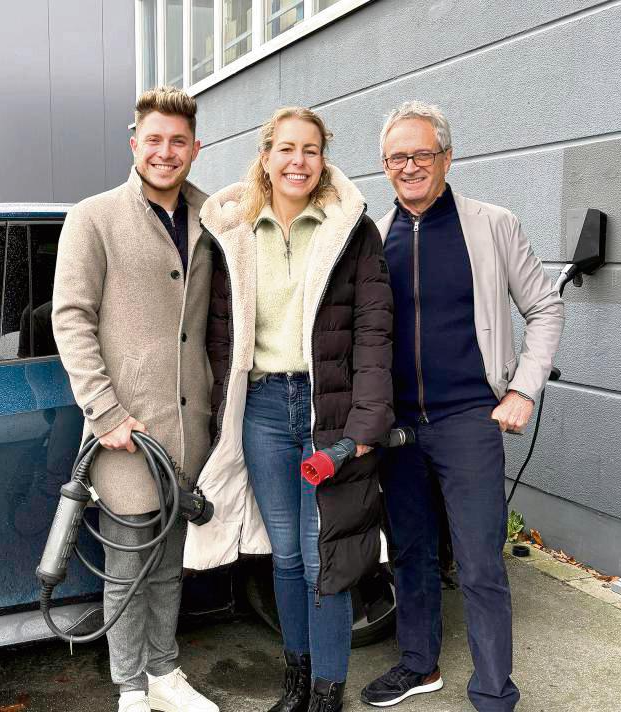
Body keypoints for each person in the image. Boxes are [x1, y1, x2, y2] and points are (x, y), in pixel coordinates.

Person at [360, 101, 564, 711]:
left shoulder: (491, 224)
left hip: (468, 420)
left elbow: (544, 306)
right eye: (399, 157)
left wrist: (523, 389)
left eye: (423, 154)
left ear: (447, 157)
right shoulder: (372, 235)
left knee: (479, 562)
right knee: (412, 554)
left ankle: (493, 691)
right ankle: (418, 665)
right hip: (397, 427)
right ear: (385, 166)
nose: (411, 166)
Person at [192, 106, 393, 712]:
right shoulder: (234, 231)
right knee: (281, 554)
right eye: (286, 149)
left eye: (310, 149)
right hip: (260, 410)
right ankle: (296, 682)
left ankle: (329, 689)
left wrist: (364, 424)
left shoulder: (351, 230)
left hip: (323, 412)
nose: (298, 161)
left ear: (323, 157)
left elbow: (374, 332)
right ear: (265, 156)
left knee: (319, 554)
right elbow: (217, 333)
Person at [52, 86, 218, 712]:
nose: (166, 152)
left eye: (179, 141)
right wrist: (106, 413)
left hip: (187, 428)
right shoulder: (94, 217)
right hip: (123, 434)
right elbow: (72, 319)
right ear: (134, 144)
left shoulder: (213, 216)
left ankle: (164, 674)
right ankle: (130, 690)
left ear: (195, 148)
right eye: (154, 139)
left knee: (171, 561)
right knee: (127, 568)